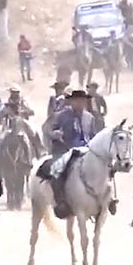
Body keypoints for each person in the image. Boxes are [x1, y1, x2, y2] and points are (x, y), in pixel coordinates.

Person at [43, 89, 98, 218]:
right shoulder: (61, 116)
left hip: (85, 151)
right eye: (77, 100)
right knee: (57, 170)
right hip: (64, 149)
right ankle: (61, 201)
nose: (80, 103)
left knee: (104, 166)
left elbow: (93, 135)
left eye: (82, 101)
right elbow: (48, 129)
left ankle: (105, 198)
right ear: (71, 101)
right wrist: (55, 134)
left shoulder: (89, 117)